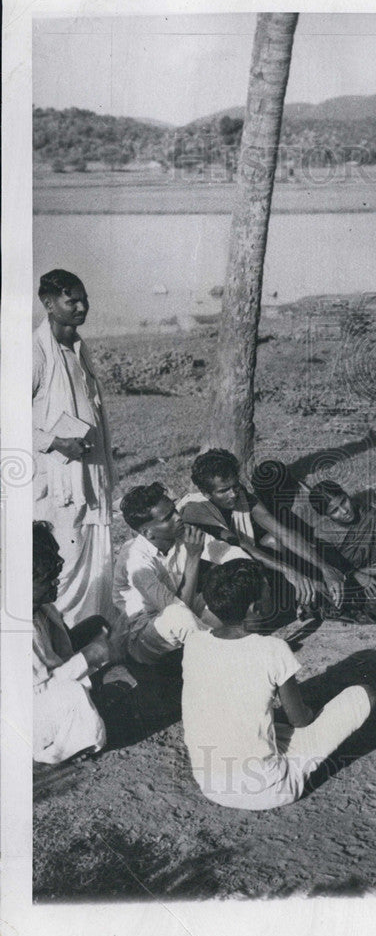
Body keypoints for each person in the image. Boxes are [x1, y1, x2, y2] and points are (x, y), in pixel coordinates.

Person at [153, 560, 376, 810]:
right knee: (362, 695)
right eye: (269, 591)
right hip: (270, 789)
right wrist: (310, 714)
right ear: (256, 608)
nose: (273, 593)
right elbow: (300, 720)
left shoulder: (195, 643)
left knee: (247, 719)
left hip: (209, 783)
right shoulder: (273, 649)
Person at [33, 269, 114, 625]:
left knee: (95, 555)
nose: (82, 306)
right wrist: (55, 442)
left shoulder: (81, 348)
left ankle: (91, 636)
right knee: (62, 564)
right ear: (49, 304)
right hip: (59, 485)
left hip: (92, 474)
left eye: (84, 299)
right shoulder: (35, 352)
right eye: (72, 300)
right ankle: (55, 647)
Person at [178, 449, 323, 616]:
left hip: (243, 561)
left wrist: (324, 567)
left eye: (235, 486)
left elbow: (282, 532)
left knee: (274, 540)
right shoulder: (194, 509)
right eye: (223, 491)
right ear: (206, 493)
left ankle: (301, 592)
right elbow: (240, 546)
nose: (232, 494)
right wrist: (288, 570)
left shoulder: (241, 496)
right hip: (209, 579)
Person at [32, 521, 121, 764]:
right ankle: (54, 751)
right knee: (72, 693)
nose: (56, 583)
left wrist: (89, 650)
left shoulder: (41, 608)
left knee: (96, 625)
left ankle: (93, 707)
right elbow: (34, 692)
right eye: (47, 579)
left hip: (47, 688)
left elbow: (57, 652)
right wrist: (88, 657)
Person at [112, 482, 217, 666]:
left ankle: (224, 649)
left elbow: (227, 553)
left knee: (224, 593)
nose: (178, 517)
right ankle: (230, 660)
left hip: (181, 612)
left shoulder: (177, 533)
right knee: (179, 617)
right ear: (148, 532)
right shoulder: (136, 561)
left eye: (175, 510)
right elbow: (177, 610)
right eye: (168, 517)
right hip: (144, 638)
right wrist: (193, 557)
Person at [307, 480, 376, 622]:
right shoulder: (323, 534)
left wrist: (366, 577)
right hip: (349, 579)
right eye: (335, 511)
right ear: (326, 516)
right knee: (328, 593)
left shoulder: (371, 517)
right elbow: (329, 567)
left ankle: (324, 609)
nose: (344, 511)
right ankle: (321, 608)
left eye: (344, 501)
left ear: (347, 495)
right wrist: (355, 575)